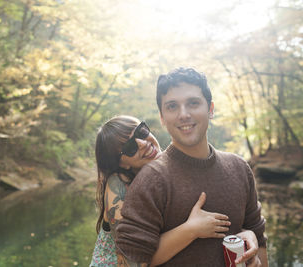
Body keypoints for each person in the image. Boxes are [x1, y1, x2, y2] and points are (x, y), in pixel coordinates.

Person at [115, 68, 268, 267]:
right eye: (172, 106)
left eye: (193, 103)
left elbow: (258, 237)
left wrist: (253, 251)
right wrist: (190, 230)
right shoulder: (151, 180)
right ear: (162, 118)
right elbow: (130, 261)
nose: (184, 114)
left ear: (210, 109)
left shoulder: (239, 168)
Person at [90, 115, 260, 267]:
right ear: (122, 164)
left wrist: (246, 233)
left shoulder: (171, 168)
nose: (142, 143)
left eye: (141, 132)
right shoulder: (118, 184)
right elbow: (131, 260)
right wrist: (191, 229)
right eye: (129, 148)